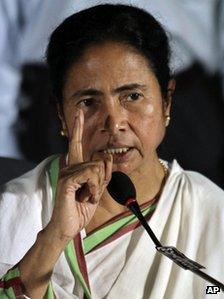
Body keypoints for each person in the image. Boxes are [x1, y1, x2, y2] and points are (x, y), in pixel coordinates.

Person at [0, 4, 224, 299]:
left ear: (166, 103)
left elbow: (214, 290)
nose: (114, 122)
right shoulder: (14, 208)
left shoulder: (211, 213)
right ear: (61, 114)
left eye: (132, 96)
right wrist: (54, 236)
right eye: (89, 102)